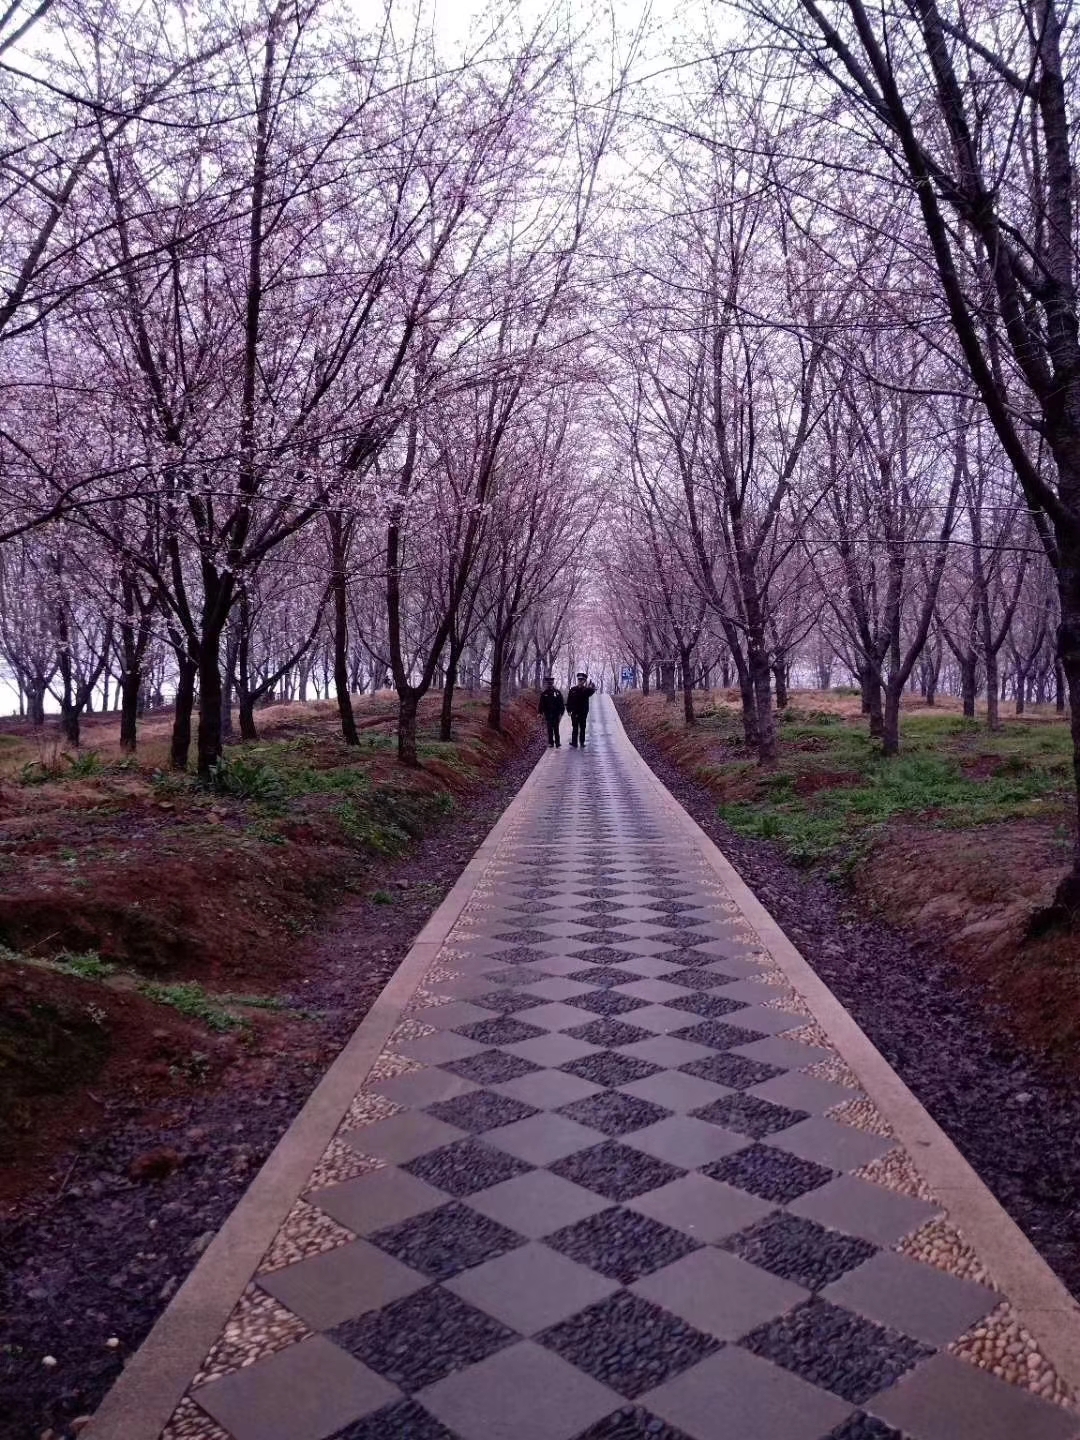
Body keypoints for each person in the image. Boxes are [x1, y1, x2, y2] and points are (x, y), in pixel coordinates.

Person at [566, 672, 596, 747]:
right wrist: (568, 710)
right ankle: (574, 743)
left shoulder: (586, 690)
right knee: (575, 727)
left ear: (584, 681)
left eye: (582, 680)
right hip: (574, 712)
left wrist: (592, 686)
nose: (580, 681)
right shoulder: (573, 689)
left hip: (583, 712)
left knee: (582, 727)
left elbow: (592, 691)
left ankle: (582, 742)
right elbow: (569, 700)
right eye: (579, 679)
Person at [537, 675, 565, 747]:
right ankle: (550, 743)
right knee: (549, 729)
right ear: (547, 684)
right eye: (548, 683)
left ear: (553, 683)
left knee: (556, 728)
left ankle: (557, 742)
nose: (550, 685)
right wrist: (540, 712)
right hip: (548, 714)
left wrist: (561, 712)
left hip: (556, 714)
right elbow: (541, 704)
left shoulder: (558, 693)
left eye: (551, 683)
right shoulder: (544, 694)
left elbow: (561, 703)